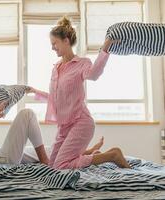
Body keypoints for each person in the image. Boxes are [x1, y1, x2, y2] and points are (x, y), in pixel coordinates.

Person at [27, 16, 130, 169]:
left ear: (66, 41)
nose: (52, 47)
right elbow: (56, 99)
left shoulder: (82, 64)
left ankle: (112, 156)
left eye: (54, 43)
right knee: (52, 167)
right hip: (64, 127)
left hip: (81, 122)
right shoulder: (56, 68)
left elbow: (94, 75)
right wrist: (34, 91)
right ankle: (96, 155)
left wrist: (105, 48)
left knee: (62, 166)